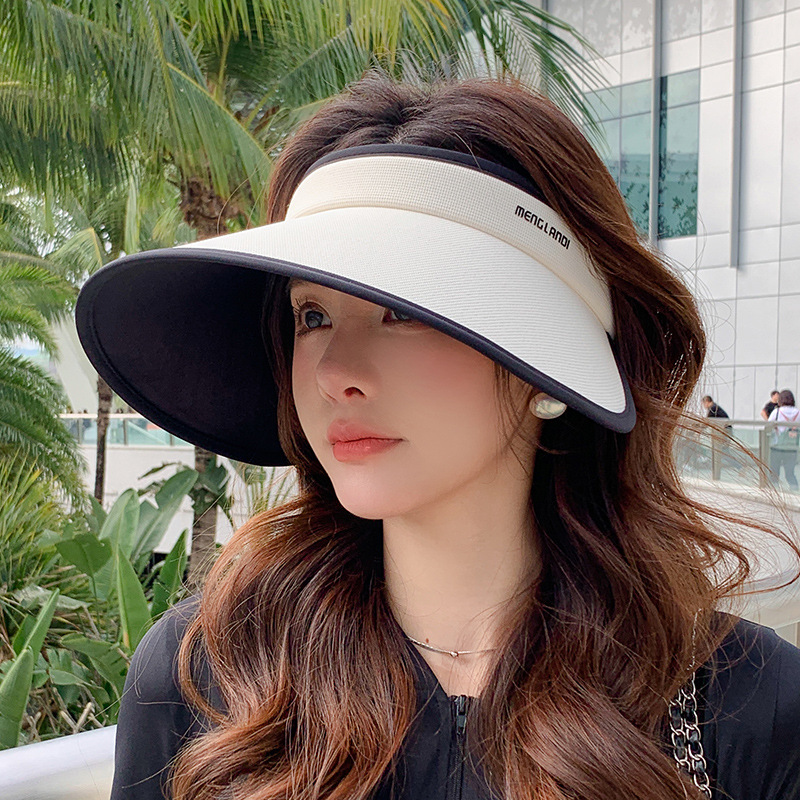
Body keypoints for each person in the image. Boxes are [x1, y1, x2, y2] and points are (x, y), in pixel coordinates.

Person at [75, 74, 800, 800]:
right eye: (312, 316)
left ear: (548, 363)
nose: (334, 373)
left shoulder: (743, 705)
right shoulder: (209, 677)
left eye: (402, 311)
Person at [768, 390, 800, 491]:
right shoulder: (798, 412)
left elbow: (768, 426)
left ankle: (774, 492)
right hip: (792, 447)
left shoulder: (777, 412)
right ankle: (795, 491)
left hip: (777, 447)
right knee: (790, 473)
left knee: (774, 472)